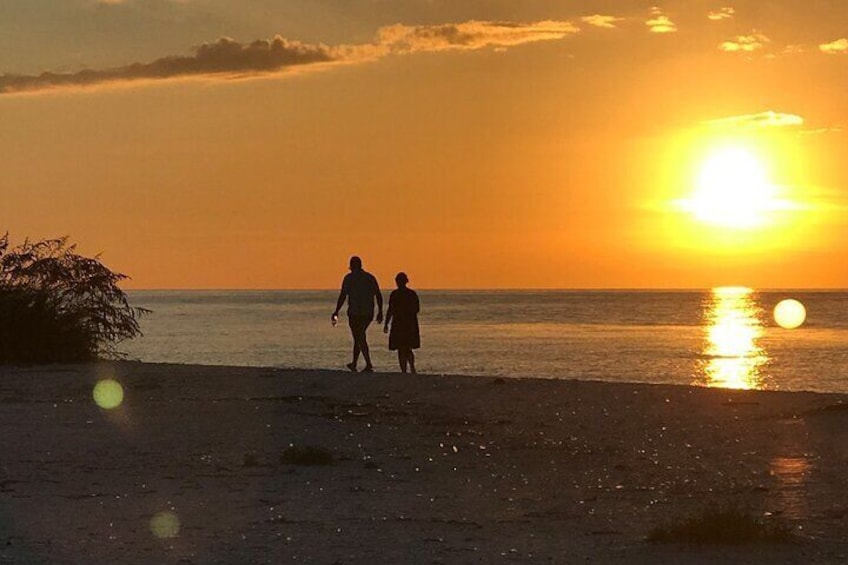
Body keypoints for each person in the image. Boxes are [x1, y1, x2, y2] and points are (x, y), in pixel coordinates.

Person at [332, 256, 383, 372]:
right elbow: (378, 295)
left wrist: (336, 311)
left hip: (357, 312)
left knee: (359, 336)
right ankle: (354, 363)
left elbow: (343, 296)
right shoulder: (369, 278)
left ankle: (368, 364)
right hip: (365, 312)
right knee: (358, 337)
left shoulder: (349, 279)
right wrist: (380, 311)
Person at [383, 272, 420, 374]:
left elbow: (390, 310)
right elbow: (416, 309)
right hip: (408, 323)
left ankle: (406, 369)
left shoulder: (396, 294)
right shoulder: (411, 294)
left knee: (402, 348)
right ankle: (409, 368)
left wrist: (387, 323)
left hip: (401, 324)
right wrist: (386, 323)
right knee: (405, 348)